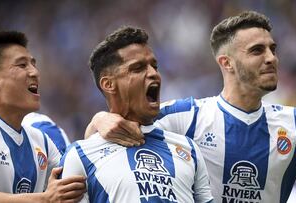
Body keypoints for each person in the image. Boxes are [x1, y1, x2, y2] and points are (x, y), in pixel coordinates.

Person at [87, 11, 296, 203]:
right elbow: (101, 138)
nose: (272, 58)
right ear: (226, 63)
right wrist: (99, 119)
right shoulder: (187, 117)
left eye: (272, 49)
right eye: (257, 51)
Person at [60, 26, 213, 203]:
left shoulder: (188, 148)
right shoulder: (80, 155)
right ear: (109, 84)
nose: (153, 74)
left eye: (155, 66)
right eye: (138, 68)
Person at [0, 31, 85, 202]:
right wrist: (43, 199)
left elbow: (76, 181)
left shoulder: (42, 140)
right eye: (22, 65)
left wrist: (96, 126)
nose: (35, 72)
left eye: (33, 64)